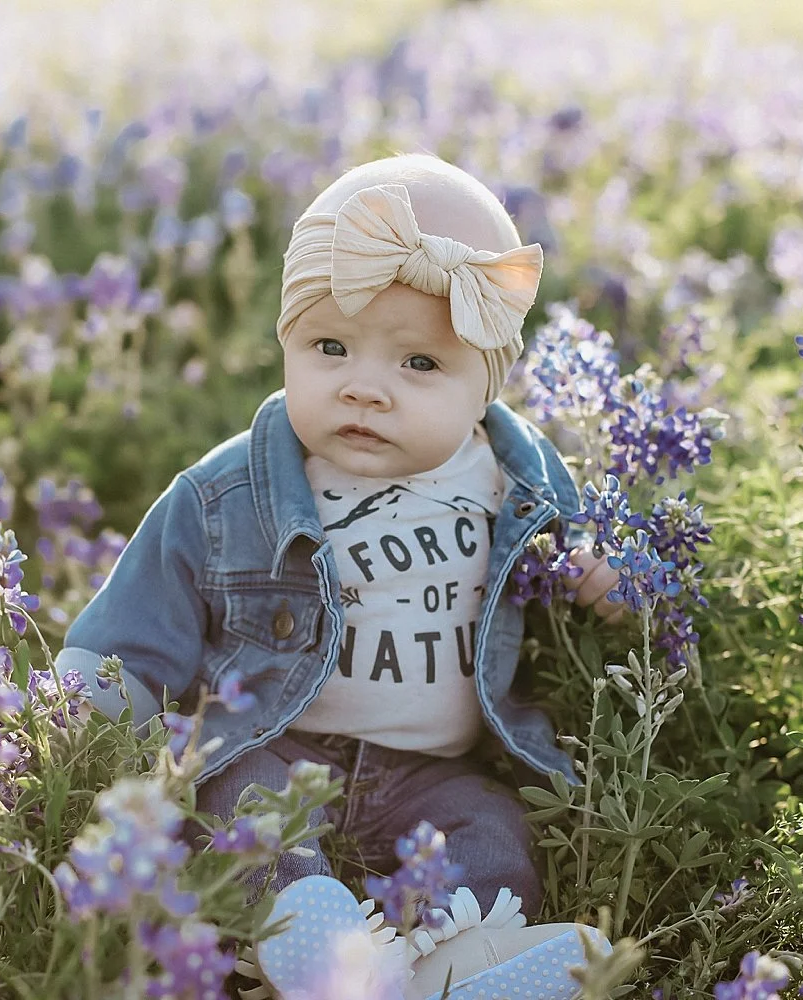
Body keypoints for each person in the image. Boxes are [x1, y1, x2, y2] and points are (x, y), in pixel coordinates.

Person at [57, 153, 622, 999]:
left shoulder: (520, 483)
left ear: (486, 388)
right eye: (331, 346)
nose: (365, 388)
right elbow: (137, 624)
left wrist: (603, 581)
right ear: (285, 343)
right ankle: (317, 952)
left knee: (497, 833)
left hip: (434, 770)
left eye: (419, 365)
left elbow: (579, 556)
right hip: (277, 746)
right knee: (241, 811)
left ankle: (448, 965)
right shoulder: (227, 492)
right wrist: (81, 712)